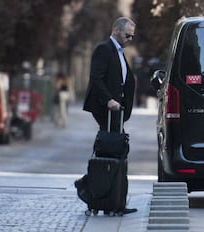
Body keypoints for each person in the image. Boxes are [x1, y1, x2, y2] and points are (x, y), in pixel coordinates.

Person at [82, 17, 137, 214]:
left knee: (113, 151)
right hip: (106, 110)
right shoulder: (104, 49)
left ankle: (110, 201)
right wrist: (108, 100)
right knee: (114, 151)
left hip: (117, 111)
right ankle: (107, 201)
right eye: (127, 34)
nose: (130, 38)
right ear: (115, 30)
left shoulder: (120, 53)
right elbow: (96, 78)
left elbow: (125, 81)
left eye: (132, 36)